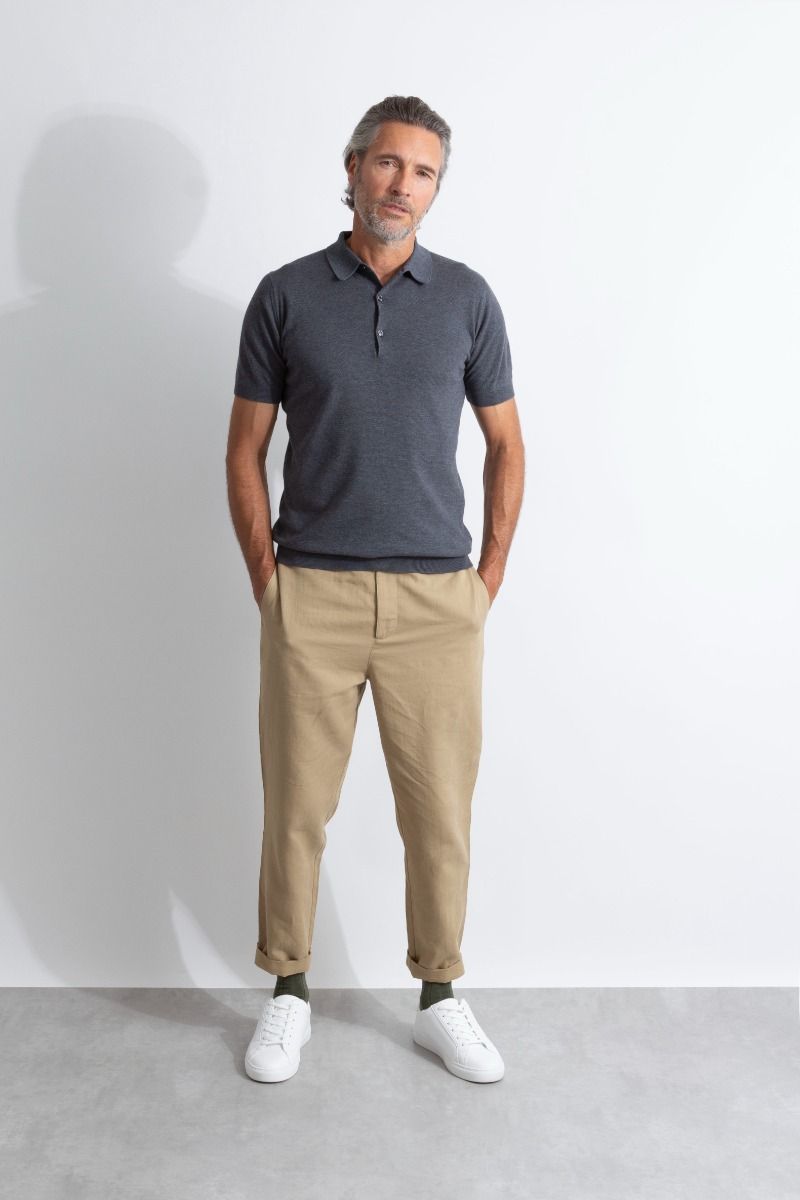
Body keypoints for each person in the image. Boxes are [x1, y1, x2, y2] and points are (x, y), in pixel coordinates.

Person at [226, 95, 525, 1084]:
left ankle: (439, 995)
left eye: (423, 171)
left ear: (436, 189)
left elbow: (507, 445)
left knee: (439, 816)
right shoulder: (284, 295)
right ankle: (288, 990)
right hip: (311, 594)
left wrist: (484, 581)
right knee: (295, 809)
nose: (403, 186)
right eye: (388, 163)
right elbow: (244, 448)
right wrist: (270, 581)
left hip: (438, 604)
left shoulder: (468, 299)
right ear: (353, 167)